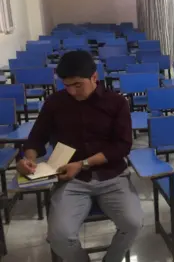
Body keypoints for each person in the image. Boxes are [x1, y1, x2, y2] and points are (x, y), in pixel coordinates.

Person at [17, 51, 143, 262]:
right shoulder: (55, 103)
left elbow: (122, 146)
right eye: (67, 86)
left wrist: (83, 163)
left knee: (133, 224)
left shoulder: (116, 103)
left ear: (94, 77)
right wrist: (28, 158)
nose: (72, 92)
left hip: (112, 176)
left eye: (77, 85)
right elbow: (36, 138)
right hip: (71, 180)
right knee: (59, 236)